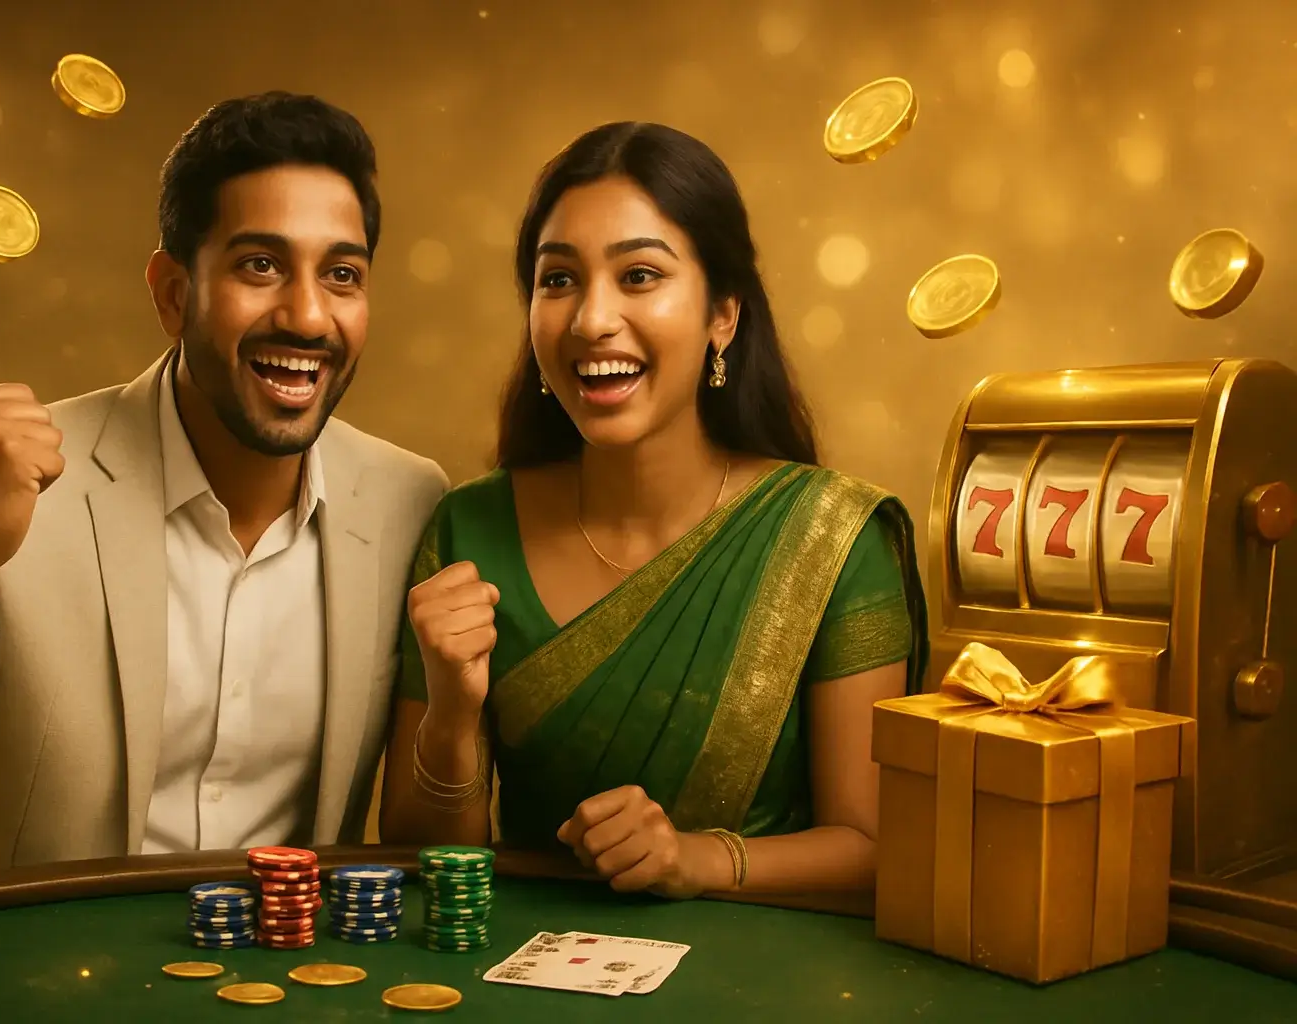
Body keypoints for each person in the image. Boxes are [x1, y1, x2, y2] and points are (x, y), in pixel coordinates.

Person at [0, 92, 447, 889]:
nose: (307, 315)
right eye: (260, 265)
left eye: (342, 274)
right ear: (173, 294)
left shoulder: (409, 502)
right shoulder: (14, 484)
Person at [378, 122, 928, 902]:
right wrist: (450, 716)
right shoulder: (468, 533)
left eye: (639, 276)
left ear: (723, 315)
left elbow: (876, 854)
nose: (590, 321)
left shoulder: (833, 539)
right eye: (557, 280)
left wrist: (698, 860)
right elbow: (421, 868)